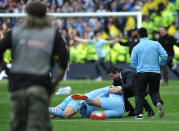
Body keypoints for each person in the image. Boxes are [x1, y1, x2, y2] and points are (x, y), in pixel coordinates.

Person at [0, 2, 68, 131]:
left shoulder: (15, 32)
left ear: (27, 15)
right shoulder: (52, 34)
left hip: (18, 85)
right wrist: (56, 82)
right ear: (44, 15)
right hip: (40, 84)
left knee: (17, 124)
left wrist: (6, 68)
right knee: (39, 125)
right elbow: (64, 58)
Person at [131, 27, 168, 119]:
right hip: (155, 72)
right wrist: (160, 64)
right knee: (154, 91)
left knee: (139, 93)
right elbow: (164, 55)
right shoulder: (156, 44)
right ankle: (157, 102)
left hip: (142, 72)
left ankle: (139, 114)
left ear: (138, 36)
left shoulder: (137, 47)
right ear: (147, 35)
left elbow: (133, 63)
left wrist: (138, 68)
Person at [49, 85, 124, 119]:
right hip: (81, 101)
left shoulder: (106, 93)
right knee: (65, 115)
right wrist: (120, 89)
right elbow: (116, 90)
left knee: (52, 114)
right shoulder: (108, 90)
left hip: (78, 100)